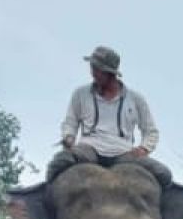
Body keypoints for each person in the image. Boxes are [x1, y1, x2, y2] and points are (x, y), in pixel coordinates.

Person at [48, 45, 174, 197]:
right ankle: (45, 203)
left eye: (96, 69)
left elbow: (151, 131)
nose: (92, 73)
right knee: (58, 162)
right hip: (89, 149)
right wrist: (69, 137)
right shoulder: (80, 94)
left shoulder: (136, 99)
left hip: (123, 153)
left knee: (164, 174)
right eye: (92, 68)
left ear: (110, 73)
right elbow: (70, 122)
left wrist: (144, 149)